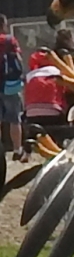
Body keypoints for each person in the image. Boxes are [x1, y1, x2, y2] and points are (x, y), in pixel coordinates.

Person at [0, 13, 28, 161]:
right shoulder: (10, 40)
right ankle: (17, 149)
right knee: (14, 118)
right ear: (3, 25)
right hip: (11, 84)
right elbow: (18, 59)